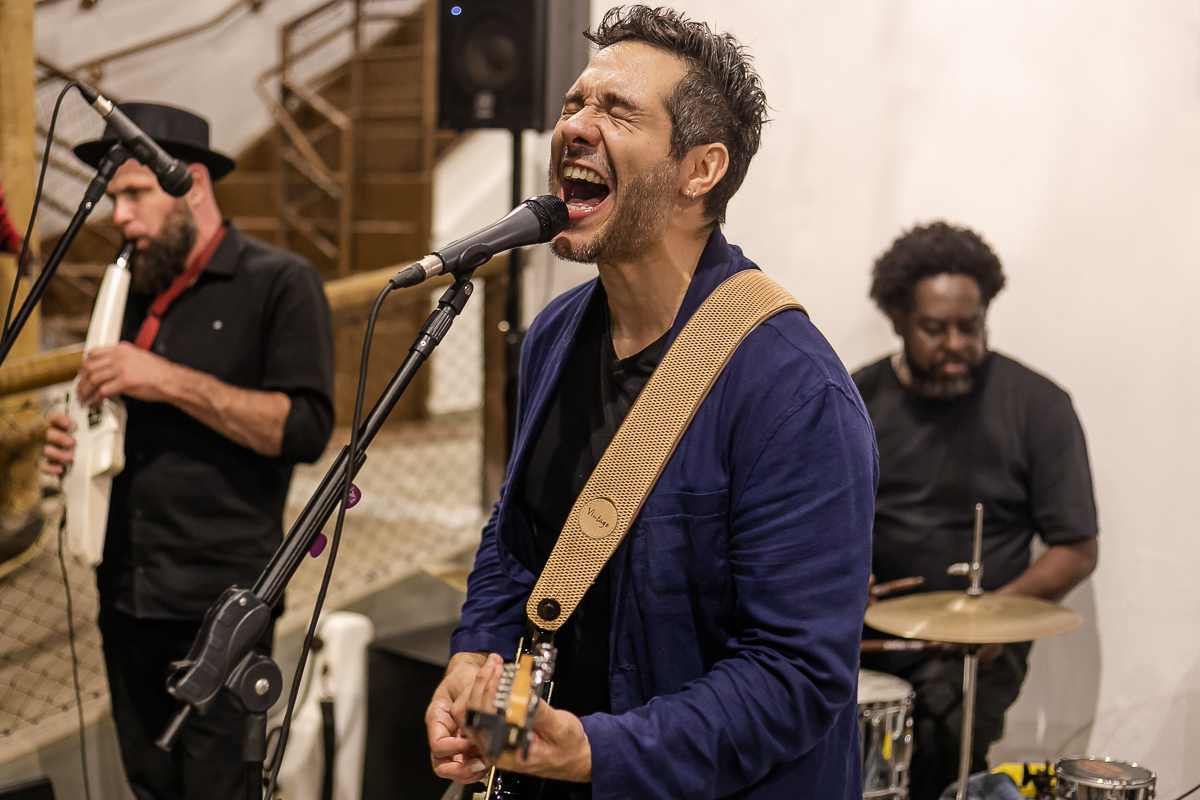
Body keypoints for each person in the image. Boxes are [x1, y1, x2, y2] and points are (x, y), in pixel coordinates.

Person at [425, 7, 877, 799]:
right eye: (574, 103)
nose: (576, 126)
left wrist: (597, 751)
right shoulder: (557, 334)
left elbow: (796, 677)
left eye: (617, 110)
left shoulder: (795, 391)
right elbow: (519, 538)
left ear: (699, 170)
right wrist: (475, 653)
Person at [41, 103, 335, 800]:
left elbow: (305, 428)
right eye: (113, 198)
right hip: (124, 588)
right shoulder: (132, 290)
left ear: (192, 183)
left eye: (136, 193)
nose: (119, 216)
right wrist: (76, 443)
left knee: (214, 788)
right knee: (148, 784)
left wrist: (165, 380)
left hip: (221, 600)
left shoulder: (280, 282)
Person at [854, 221, 1099, 800]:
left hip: (979, 648)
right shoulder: (855, 399)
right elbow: (819, 518)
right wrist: (842, 577)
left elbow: (1076, 547)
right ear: (897, 319)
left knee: (944, 734)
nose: (957, 344)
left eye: (971, 326)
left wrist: (998, 612)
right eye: (935, 329)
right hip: (870, 630)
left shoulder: (1037, 406)